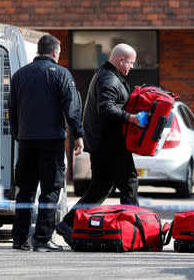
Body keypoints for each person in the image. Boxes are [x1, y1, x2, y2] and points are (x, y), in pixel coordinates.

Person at [56, 43, 142, 243]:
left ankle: (68, 223)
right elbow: (106, 109)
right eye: (130, 62)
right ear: (121, 60)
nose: (132, 67)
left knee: (101, 188)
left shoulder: (106, 75)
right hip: (109, 144)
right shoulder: (109, 79)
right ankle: (134, 229)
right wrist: (131, 118)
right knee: (129, 182)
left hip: (102, 143)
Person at [8, 34, 84, 252]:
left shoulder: (20, 75)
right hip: (51, 140)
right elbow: (72, 107)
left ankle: (20, 238)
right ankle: (42, 239)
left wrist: (17, 134)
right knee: (51, 189)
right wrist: (78, 134)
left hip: (26, 140)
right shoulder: (61, 73)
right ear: (55, 52)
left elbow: (11, 108)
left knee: (26, 190)